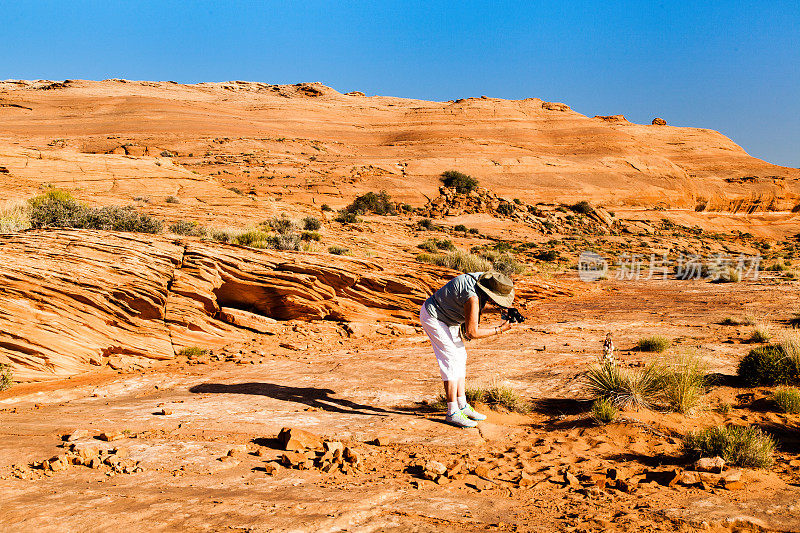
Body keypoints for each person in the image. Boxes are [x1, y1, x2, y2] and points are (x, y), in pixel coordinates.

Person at [419, 270, 515, 428]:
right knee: (450, 358)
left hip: (450, 317)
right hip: (434, 316)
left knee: (460, 356)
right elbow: (472, 332)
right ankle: (452, 412)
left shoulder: (485, 279)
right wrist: (500, 329)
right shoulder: (472, 297)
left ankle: (462, 405)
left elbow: (471, 306)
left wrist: (501, 309)